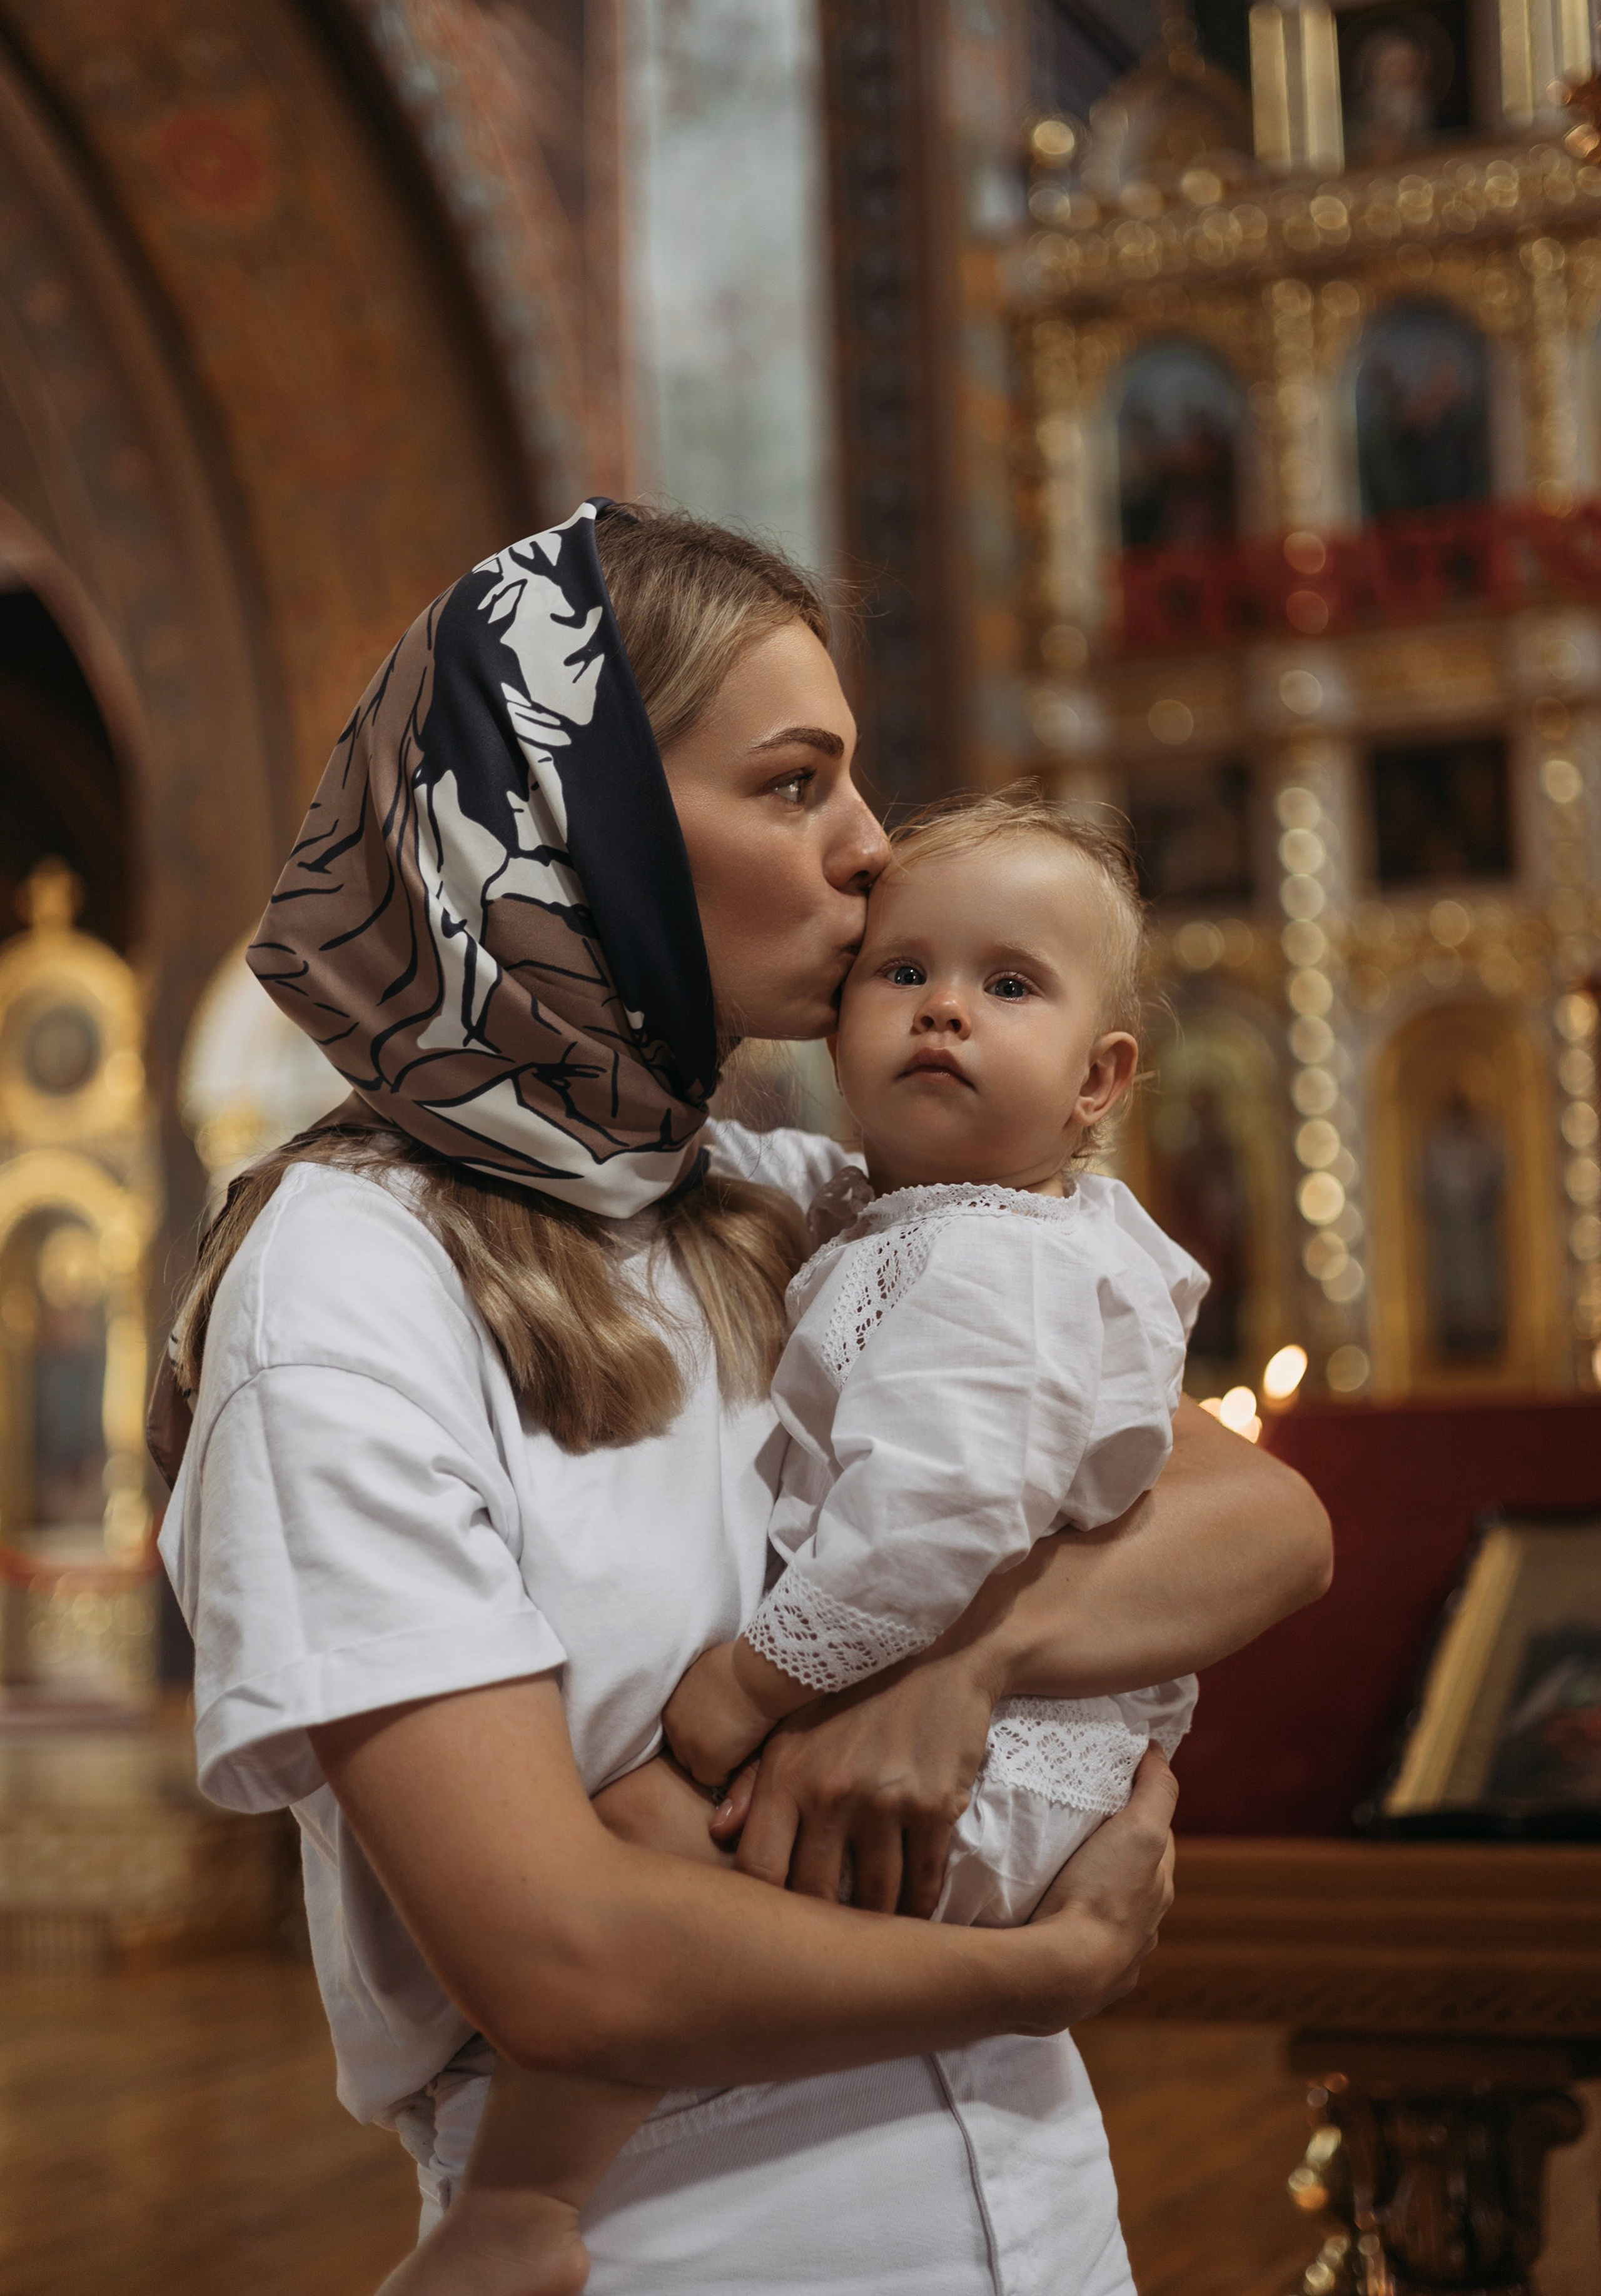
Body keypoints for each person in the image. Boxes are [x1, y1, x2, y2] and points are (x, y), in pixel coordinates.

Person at [156, 500, 1331, 2296]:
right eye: (796, 786)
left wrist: (965, 1664)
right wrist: (1042, 1969)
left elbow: (1264, 1520)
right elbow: (560, 1958)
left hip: (1035, 2206)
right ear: (580, 831)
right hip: (680, 2239)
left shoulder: (788, 1198)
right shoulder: (347, 1284)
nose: (874, 854)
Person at [434, 783, 1215, 2295]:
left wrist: (747, 1689)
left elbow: (930, 1528)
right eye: (901, 973)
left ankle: (519, 2207)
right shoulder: (890, 1216)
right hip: (981, 1748)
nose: (940, 1013)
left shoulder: (995, 1263)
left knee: (643, 1850)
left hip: (991, 1775)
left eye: (1006, 986)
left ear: (1096, 1078)